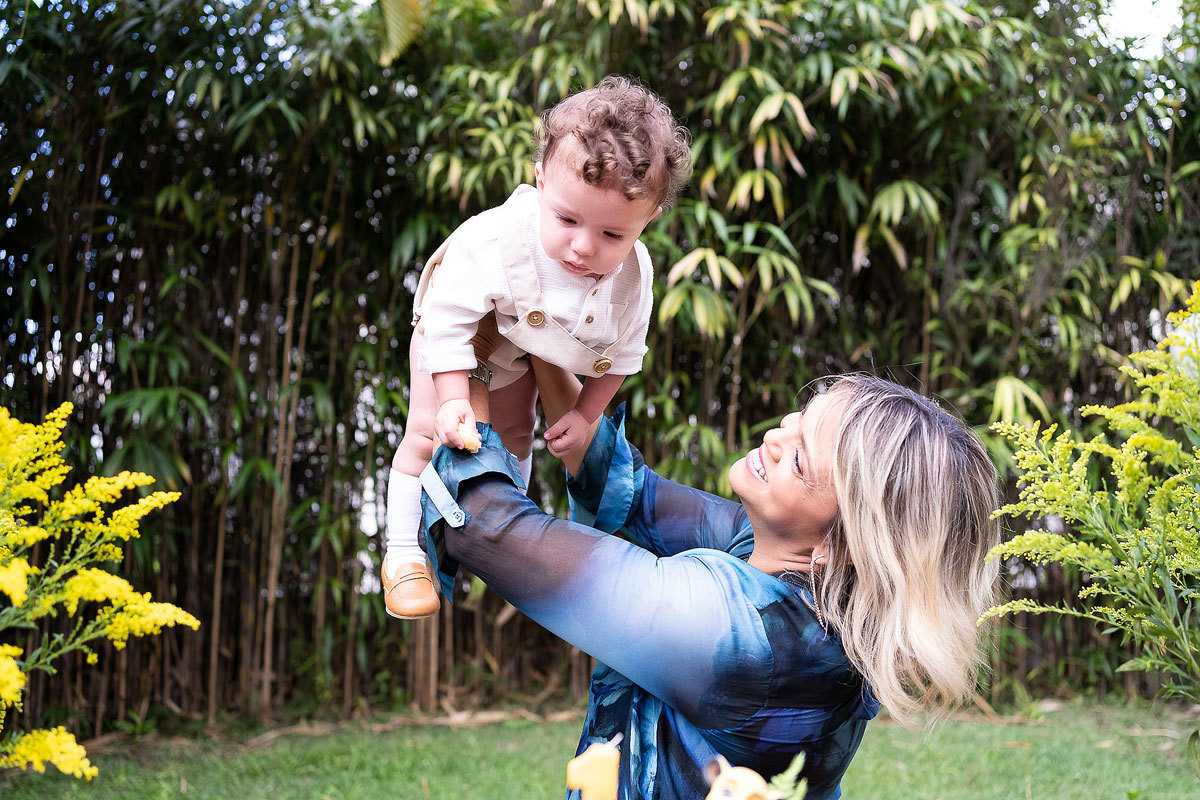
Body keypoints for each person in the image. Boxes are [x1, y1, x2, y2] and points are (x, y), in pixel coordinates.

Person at [418, 355, 1001, 800]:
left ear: (846, 544)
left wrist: (464, 376)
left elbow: (484, 528)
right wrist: (541, 329)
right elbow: (625, 493)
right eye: (797, 422)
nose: (775, 439)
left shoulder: (742, 634)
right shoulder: (806, 576)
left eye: (800, 459)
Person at [383, 76, 692, 618]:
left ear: (649, 221)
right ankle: (403, 553)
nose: (582, 246)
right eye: (567, 219)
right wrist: (454, 396)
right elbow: (448, 319)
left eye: (613, 235)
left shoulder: (634, 278)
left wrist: (586, 411)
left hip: (526, 352)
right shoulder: (495, 239)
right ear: (540, 177)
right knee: (430, 431)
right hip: (455, 342)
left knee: (519, 433)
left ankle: (503, 521)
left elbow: (623, 354)